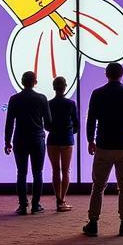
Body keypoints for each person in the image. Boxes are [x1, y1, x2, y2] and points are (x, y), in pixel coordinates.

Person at [83, 62, 123, 237]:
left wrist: (90, 140)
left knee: (98, 185)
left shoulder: (97, 93)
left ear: (106, 74)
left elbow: (91, 119)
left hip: (103, 144)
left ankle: (93, 223)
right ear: (122, 74)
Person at [4, 71, 52, 215]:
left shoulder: (14, 99)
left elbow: (10, 122)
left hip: (20, 139)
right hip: (37, 139)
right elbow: (48, 123)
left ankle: (23, 205)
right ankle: (36, 205)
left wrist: (7, 141)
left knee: (21, 173)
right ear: (35, 82)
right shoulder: (42, 99)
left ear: (22, 82)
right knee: (38, 172)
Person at [47, 76, 78, 211]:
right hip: (66, 138)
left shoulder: (49, 104)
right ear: (65, 87)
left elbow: (46, 125)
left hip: (53, 139)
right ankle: (62, 200)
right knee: (65, 171)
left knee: (55, 170)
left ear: (54, 87)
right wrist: (70, 130)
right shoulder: (71, 104)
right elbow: (76, 124)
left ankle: (58, 199)